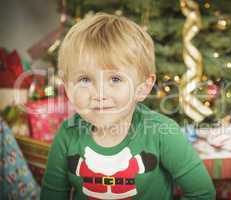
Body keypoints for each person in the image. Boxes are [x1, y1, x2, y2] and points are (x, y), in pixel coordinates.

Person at [40, 12, 215, 200]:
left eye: (115, 79)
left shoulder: (162, 133)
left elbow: (202, 194)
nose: (99, 94)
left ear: (143, 88)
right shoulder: (67, 135)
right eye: (85, 79)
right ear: (68, 88)